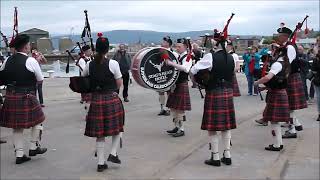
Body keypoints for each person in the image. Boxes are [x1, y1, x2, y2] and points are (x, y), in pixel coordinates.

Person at [190, 30, 236, 166]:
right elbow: (232, 72)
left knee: (213, 127)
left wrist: (199, 81)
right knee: (226, 126)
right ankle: (227, 155)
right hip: (228, 91)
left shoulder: (210, 57)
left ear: (215, 43)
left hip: (214, 91)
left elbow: (192, 71)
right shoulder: (232, 57)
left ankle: (215, 157)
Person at [0, 34, 47, 164]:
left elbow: (1, 76)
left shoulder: (7, 60)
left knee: (17, 127)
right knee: (39, 120)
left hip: (11, 96)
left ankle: (19, 155)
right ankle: (33, 147)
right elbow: (40, 79)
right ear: (26, 46)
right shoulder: (31, 61)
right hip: (27, 96)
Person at [82, 33, 125, 172]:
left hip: (96, 99)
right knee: (118, 127)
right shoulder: (113, 63)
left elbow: (84, 78)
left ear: (96, 48)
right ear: (107, 49)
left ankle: (101, 163)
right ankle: (112, 153)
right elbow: (119, 83)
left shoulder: (89, 64)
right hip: (111, 98)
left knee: (100, 133)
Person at [253, 26, 292, 151]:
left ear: (278, 52)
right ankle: (278, 143)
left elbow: (268, 77)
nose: (272, 52)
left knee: (274, 122)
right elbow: (277, 81)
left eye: (274, 50)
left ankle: (277, 145)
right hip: (279, 92)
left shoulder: (277, 64)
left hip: (277, 94)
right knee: (275, 122)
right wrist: (264, 88)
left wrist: (257, 82)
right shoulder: (285, 63)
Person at [281, 30, 307, 139]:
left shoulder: (290, 47)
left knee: (290, 106)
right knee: (290, 106)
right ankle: (296, 124)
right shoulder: (286, 46)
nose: (278, 37)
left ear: (285, 36)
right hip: (289, 77)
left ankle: (292, 130)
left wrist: (280, 76)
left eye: (280, 35)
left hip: (290, 77)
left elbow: (287, 64)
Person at [164, 38, 192, 137]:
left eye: (179, 46)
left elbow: (185, 68)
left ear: (185, 47)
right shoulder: (177, 56)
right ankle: (176, 126)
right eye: (176, 46)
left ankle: (182, 129)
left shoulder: (188, 57)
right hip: (175, 85)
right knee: (173, 108)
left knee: (180, 109)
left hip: (182, 84)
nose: (177, 48)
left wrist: (172, 64)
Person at [157, 36, 176, 116]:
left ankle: (168, 109)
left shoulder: (173, 53)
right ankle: (162, 109)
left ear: (168, 43)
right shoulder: (159, 51)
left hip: (169, 76)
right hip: (161, 75)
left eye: (164, 42)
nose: (162, 43)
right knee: (161, 93)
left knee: (169, 93)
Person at [77, 45, 92, 109]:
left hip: (90, 79)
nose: (90, 52)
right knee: (88, 98)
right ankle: (87, 109)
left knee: (91, 97)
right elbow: (84, 71)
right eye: (89, 51)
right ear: (85, 52)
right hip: (85, 80)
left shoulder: (90, 58)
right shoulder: (81, 60)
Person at [311, 46, 320, 121]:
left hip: (317, 80)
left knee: (319, 97)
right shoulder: (315, 59)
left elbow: (313, 71)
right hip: (318, 81)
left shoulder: (315, 59)